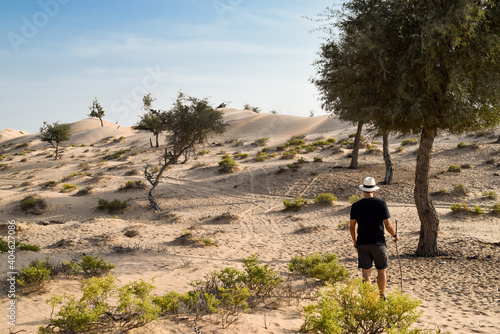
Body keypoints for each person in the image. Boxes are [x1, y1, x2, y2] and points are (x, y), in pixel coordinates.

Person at [350, 176, 400, 299]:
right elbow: (388, 224)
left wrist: (355, 240)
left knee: (366, 271)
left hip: (362, 242)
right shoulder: (381, 204)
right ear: (374, 190)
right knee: (381, 270)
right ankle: (381, 296)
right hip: (378, 242)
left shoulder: (356, 205)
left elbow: (352, 227)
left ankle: (367, 298)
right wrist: (394, 235)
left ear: (363, 190)